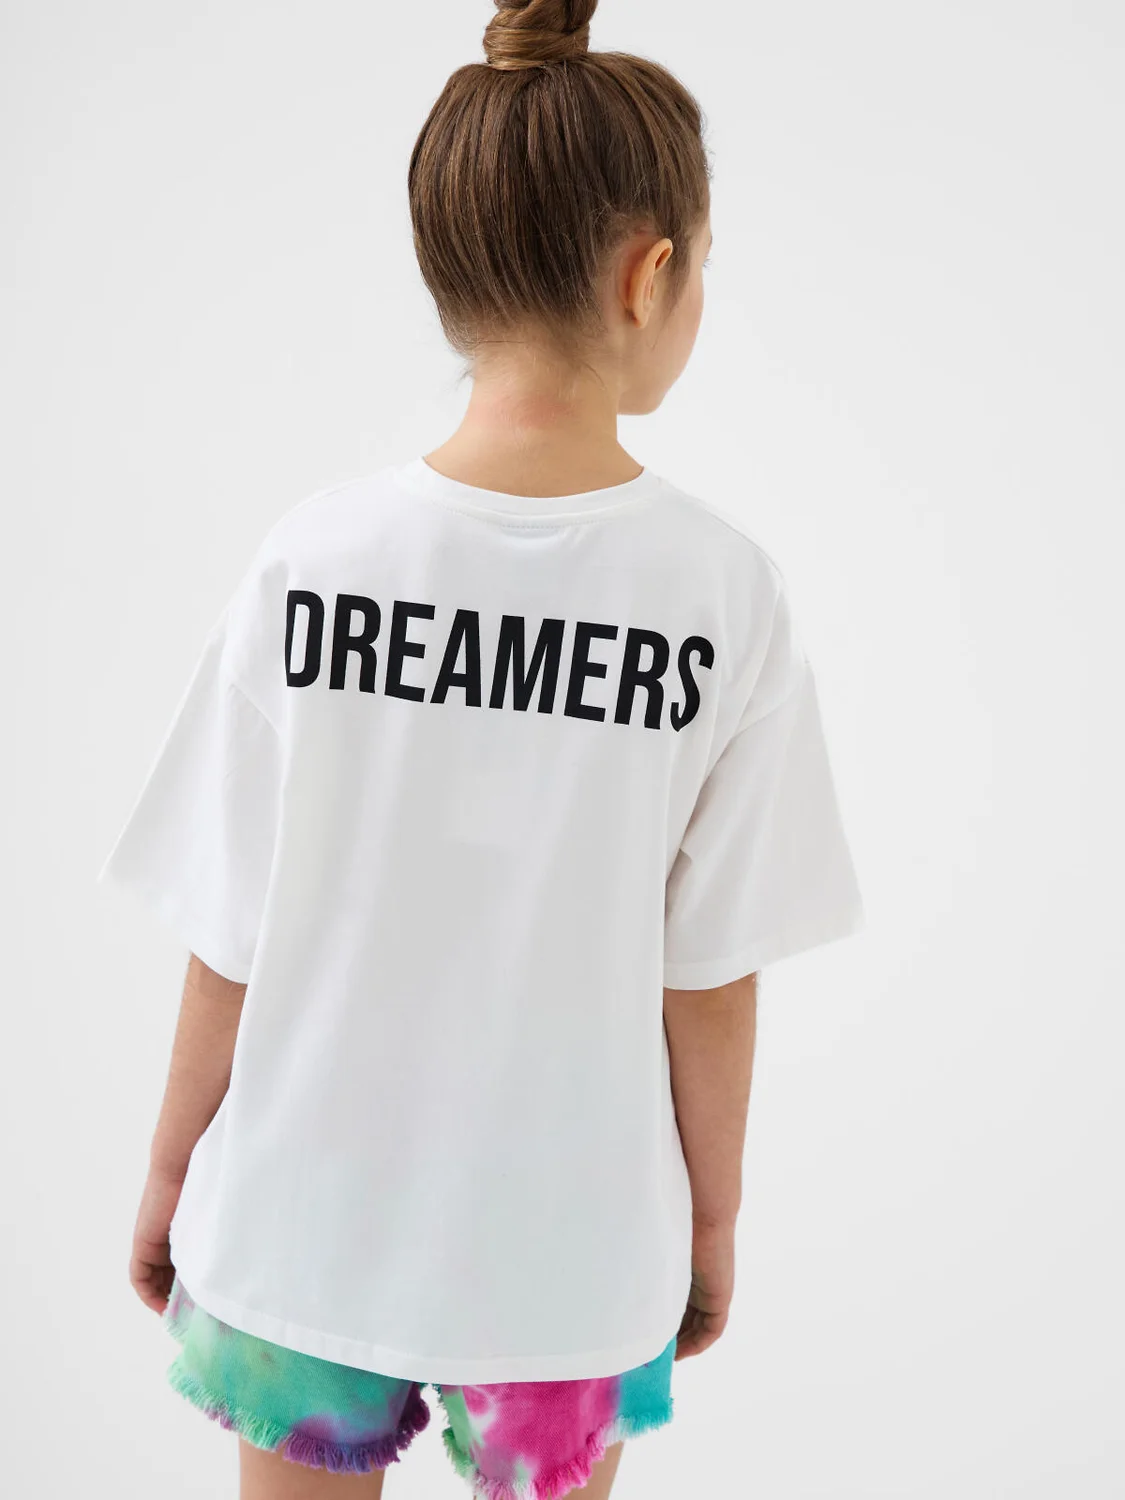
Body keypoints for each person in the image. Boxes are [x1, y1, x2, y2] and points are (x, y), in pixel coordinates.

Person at [98, 2, 865, 1496]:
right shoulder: (720, 595)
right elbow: (709, 973)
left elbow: (231, 933)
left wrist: (174, 1163)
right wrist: (710, 1218)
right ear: (651, 275)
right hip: (574, 1249)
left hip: (305, 1219)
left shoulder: (314, 560)